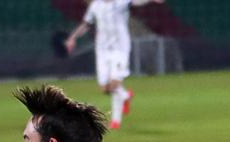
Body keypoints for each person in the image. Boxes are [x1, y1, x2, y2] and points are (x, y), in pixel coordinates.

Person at [65, 0, 165, 130]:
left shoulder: (121, 2)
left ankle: (115, 121)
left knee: (114, 83)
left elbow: (136, 2)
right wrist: (73, 37)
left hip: (120, 49)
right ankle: (125, 95)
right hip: (102, 50)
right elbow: (86, 24)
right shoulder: (96, 5)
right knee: (105, 88)